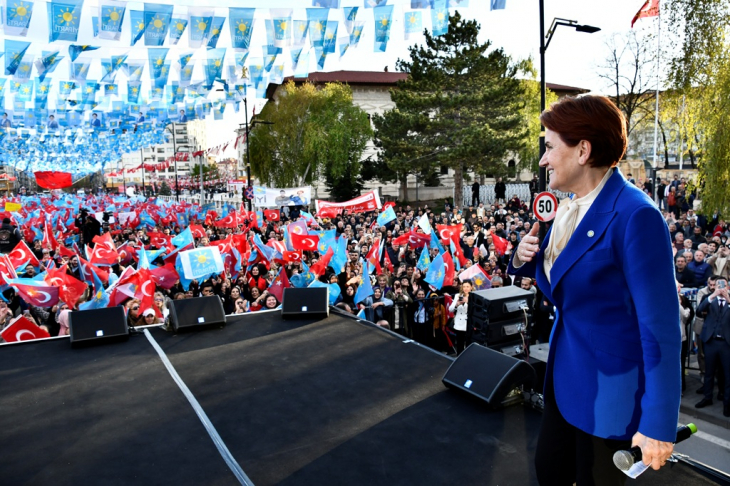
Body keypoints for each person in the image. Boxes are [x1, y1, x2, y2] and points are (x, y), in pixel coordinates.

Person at [510, 95, 680, 484]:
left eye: (550, 147)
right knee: (549, 472)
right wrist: (525, 257)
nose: (543, 159)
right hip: (566, 378)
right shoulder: (572, 205)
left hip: (610, 397)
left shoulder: (636, 216)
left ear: (582, 150)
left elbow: (662, 329)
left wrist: (658, 422)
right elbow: (572, 284)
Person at [695, 277, 730, 417]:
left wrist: (728, 299)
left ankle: (727, 403)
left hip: (727, 343)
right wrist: (713, 296)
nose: (721, 287)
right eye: (718, 285)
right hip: (711, 341)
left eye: (724, 285)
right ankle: (707, 397)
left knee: (727, 375)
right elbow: (699, 311)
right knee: (709, 372)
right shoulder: (709, 298)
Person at [448, 279, 472, 355]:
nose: (466, 288)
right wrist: (457, 304)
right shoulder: (457, 296)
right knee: (459, 344)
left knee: (469, 344)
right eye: (464, 286)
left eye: (468, 286)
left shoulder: (473, 296)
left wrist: (467, 302)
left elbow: (474, 310)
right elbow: (450, 309)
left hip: (468, 323)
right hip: (459, 323)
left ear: (471, 287)